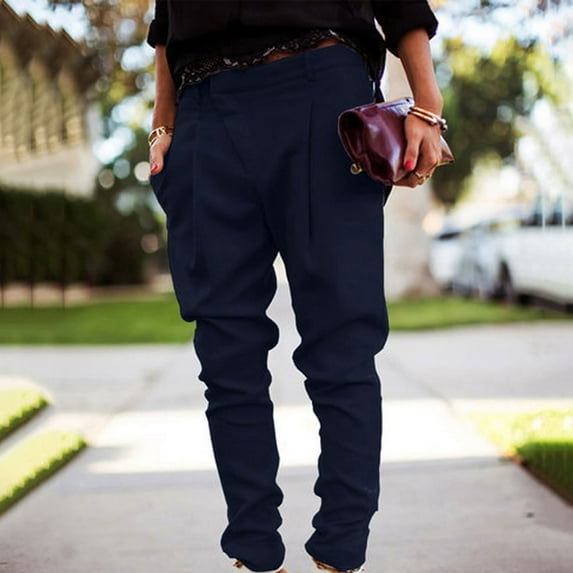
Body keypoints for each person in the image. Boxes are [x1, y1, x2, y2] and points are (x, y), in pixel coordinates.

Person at [146, 2, 444, 572]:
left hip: (321, 91)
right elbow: (166, 23)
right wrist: (165, 127)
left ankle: (340, 552)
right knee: (226, 352)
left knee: (341, 342)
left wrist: (426, 107)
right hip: (204, 109)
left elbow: (400, 3)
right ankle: (254, 552)